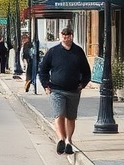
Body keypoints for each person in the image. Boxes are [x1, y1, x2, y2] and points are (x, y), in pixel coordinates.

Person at [38, 26, 91, 155]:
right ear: (60, 36)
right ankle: (61, 139)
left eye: (68, 35)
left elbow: (86, 71)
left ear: (72, 36)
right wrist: (46, 85)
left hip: (73, 90)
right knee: (59, 114)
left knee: (71, 117)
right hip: (56, 90)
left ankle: (69, 141)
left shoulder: (78, 52)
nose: (66, 37)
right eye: (63, 35)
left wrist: (82, 84)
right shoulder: (53, 52)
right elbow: (43, 70)